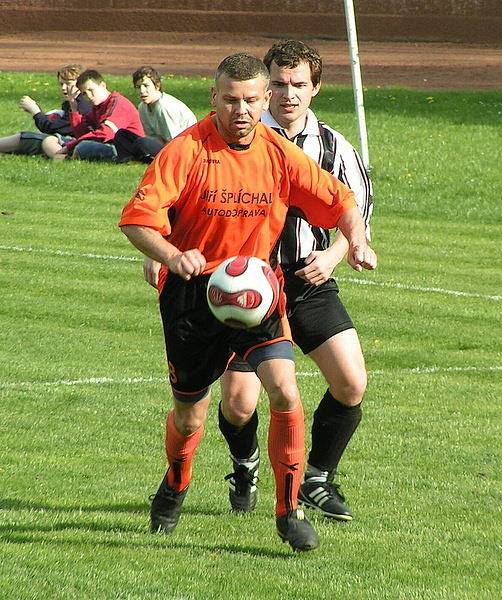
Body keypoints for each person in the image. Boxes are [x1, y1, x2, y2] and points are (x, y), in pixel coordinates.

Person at [119, 53, 376, 552]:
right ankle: (175, 483)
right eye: (231, 99)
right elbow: (136, 218)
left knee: (284, 389)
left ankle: (288, 511)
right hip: (193, 299)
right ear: (213, 97)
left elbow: (341, 199)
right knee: (191, 415)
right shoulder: (186, 149)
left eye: (251, 101)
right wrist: (172, 254)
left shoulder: (278, 152)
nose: (241, 110)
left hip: (258, 292)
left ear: (263, 103)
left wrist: (356, 240)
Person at [215, 40, 373, 522]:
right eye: (278, 85)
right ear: (264, 91)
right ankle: (245, 464)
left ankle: (318, 479)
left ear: (316, 88)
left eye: (298, 85)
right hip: (246, 286)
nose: (288, 94)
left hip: (307, 277)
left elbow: (356, 211)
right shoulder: (234, 137)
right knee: (240, 404)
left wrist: (339, 251)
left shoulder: (333, 146)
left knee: (351, 383)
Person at [42, 69, 143, 162]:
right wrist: (74, 108)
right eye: (84, 93)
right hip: (106, 143)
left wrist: (69, 146)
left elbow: (106, 134)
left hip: (125, 149)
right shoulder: (97, 106)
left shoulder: (118, 104)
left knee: (82, 147)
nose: (89, 96)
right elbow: (81, 133)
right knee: (49, 140)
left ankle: (64, 158)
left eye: (91, 90)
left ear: (103, 85)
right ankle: (62, 157)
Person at [0, 64, 91, 156]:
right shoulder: (73, 102)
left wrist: (36, 111)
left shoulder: (83, 104)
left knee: (28, 138)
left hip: (76, 143)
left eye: (68, 84)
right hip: (74, 142)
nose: (63, 88)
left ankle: (62, 158)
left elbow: (56, 128)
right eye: (61, 84)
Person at [114, 66, 197, 164]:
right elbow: (151, 136)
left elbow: (175, 140)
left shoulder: (164, 107)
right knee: (121, 134)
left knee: (142, 143)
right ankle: (127, 160)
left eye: (146, 86)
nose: (142, 91)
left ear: (157, 86)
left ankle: (145, 158)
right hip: (162, 143)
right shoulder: (142, 107)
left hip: (182, 148)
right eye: (138, 87)